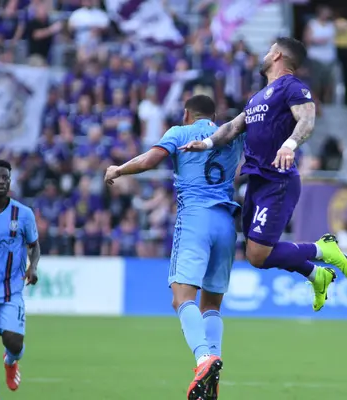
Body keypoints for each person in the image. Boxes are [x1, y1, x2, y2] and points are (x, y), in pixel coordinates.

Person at [181, 37, 347, 313]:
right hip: (256, 181)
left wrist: (290, 144)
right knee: (254, 255)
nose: (266, 53)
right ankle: (316, 275)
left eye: (270, 49)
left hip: (279, 180)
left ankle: (323, 250)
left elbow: (307, 120)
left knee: (259, 255)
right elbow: (233, 127)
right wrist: (208, 143)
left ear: (278, 56)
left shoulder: (293, 87)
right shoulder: (258, 97)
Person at [104, 95, 240, 400]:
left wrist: (119, 169)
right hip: (227, 222)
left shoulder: (179, 132)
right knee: (212, 305)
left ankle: (204, 359)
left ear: (187, 114)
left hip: (195, 218)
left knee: (181, 298)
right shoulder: (230, 133)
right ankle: (213, 374)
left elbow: (150, 160)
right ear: (213, 116)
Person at [0, 160, 40, 400]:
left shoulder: (23, 214)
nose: (1, 181)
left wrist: (34, 268)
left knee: (14, 342)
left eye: (5, 178)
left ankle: (11, 361)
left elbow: (34, 245)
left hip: (11, 290)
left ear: (10, 180)